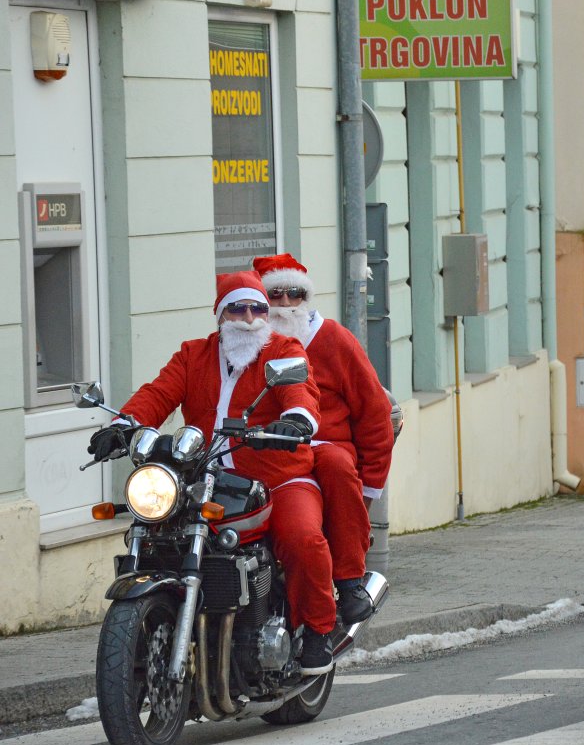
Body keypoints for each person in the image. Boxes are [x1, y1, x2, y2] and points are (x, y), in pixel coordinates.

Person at [86, 272, 338, 674]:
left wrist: (296, 421)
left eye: (257, 308)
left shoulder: (284, 350)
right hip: (202, 479)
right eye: (237, 308)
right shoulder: (193, 355)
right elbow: (159, 392)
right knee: (157, 534)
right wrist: (125, 424)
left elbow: (300, 392)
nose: (249, 316)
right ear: (220, 314)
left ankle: (319, 630)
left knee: (303, 538)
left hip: (279, 476)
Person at [255, 253, 395, 625]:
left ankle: (349, 581)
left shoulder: (334, 339)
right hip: (265, 449)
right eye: (275, 295)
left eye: (295, 294)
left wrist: (371, 486)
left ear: (307, 297)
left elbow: (375, 414)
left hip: (323, 446)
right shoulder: (246, 343)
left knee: (335, 465)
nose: (285, 304)